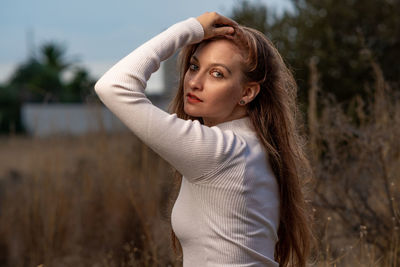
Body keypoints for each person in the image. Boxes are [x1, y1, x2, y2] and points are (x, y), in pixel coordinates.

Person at [95, 12, 313, 267]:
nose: (195, 82)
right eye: (194, 66)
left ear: (248, 92)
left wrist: (190, 28)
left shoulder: (222, 150)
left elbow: (113, 86)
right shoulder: (252, 145)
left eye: (217, 74)